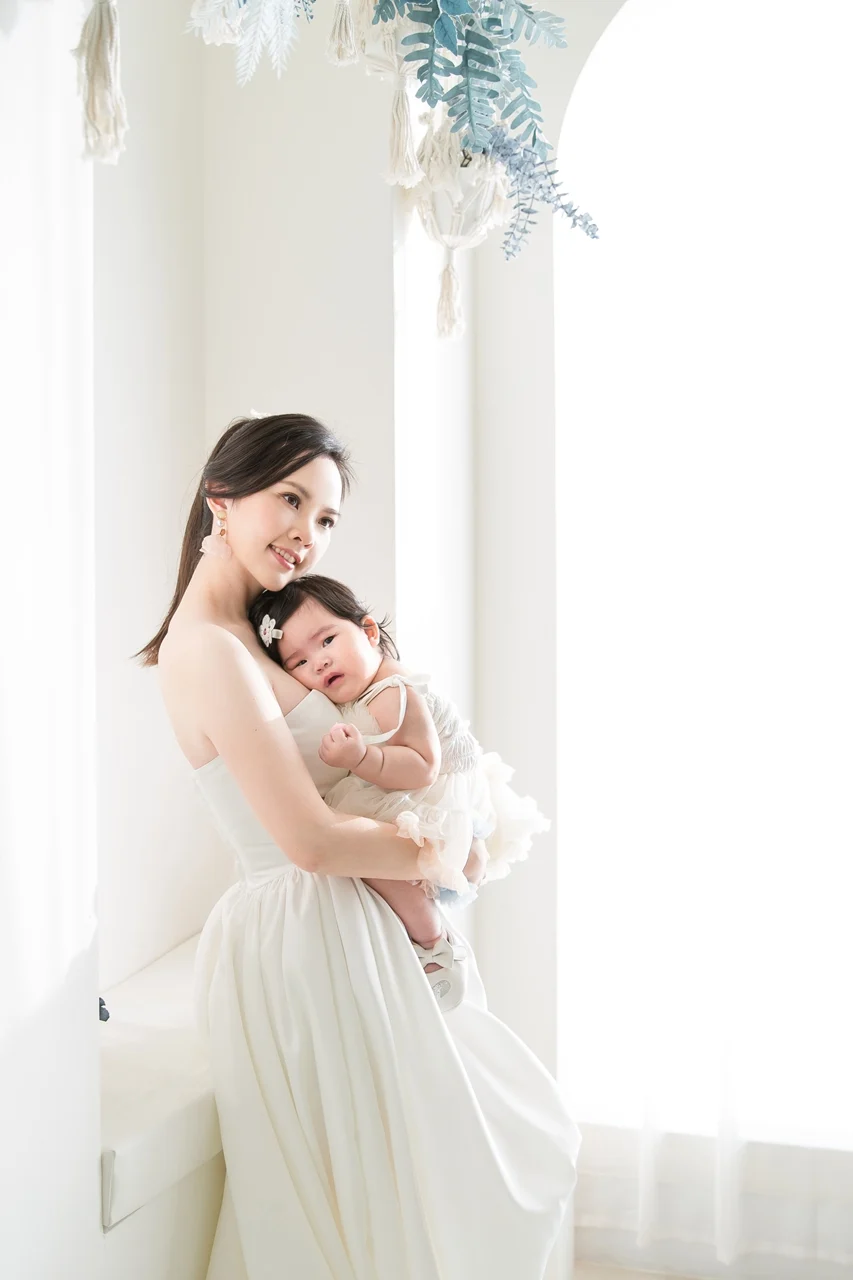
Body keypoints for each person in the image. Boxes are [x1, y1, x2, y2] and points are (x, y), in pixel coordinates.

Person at [141, 413, 580, 1280]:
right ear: (221, 499)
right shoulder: (209, 651)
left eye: (326, 517)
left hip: (348, 925)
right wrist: (444, 854)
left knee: (421, 1186)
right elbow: (306, 840)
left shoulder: (259, 633)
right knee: (377, 1206)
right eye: (290, 500)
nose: (307, 533)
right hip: (306, 931)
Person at [248, 573, 550, 1012]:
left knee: (361, 848)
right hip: (409, 786)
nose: (319, 662)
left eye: (327, 640)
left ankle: (432, 940)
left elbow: (423, 766)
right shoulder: (364, 688)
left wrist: (361, 758)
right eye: (299, 662)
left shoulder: (394, 692)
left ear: (369, 632)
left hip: (434, 790)